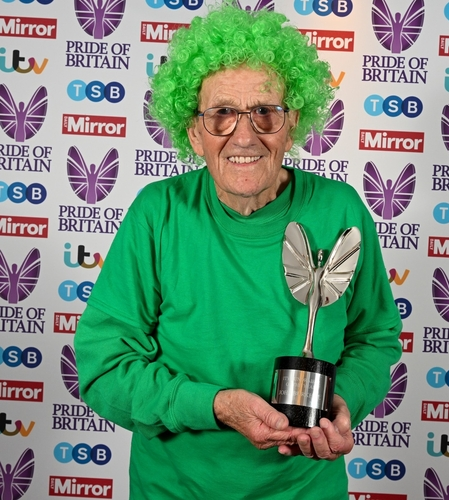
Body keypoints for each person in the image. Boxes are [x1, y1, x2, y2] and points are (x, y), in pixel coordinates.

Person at [74, 4, 402, 499]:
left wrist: (342, 399)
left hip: (305, 490)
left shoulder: (341, 210)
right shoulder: (158, 214)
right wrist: (216, 405)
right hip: (174, 489)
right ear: (193, 132)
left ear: (292, 125)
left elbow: (374, 336)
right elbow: (104, 370)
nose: (244, 135)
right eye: (222, 113)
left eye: (265, 112)